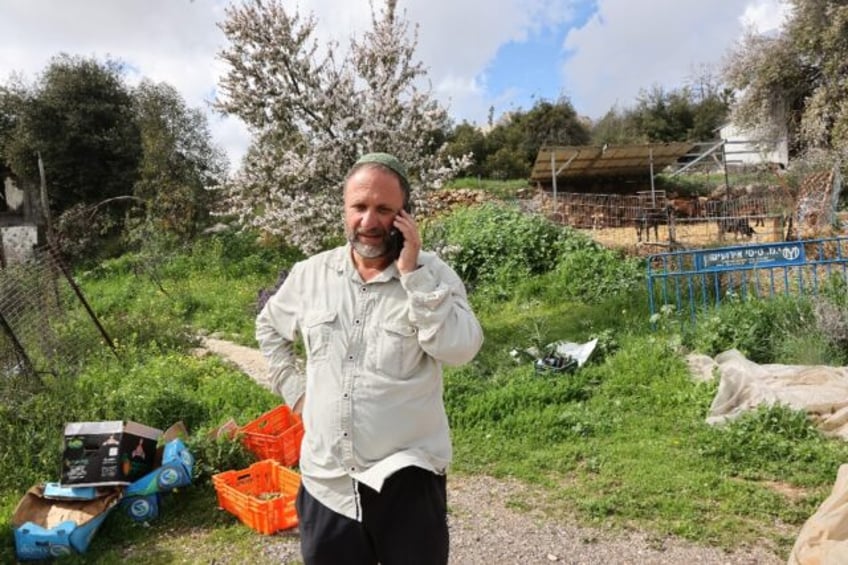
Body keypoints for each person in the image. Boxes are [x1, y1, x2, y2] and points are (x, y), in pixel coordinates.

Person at [256, 152, 484, 565]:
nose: (369, 221)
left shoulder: (434, 275)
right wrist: (296, 393)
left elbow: (461, 348)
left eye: (384, 209)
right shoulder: (310, 274)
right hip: (328, 483)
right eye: (359, 207)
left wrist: (413, 274)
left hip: (408, 481)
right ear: (344, 210)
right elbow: (269, 328)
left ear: (405, 216)